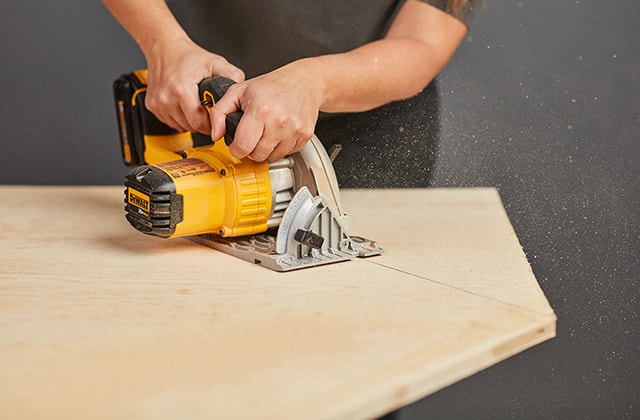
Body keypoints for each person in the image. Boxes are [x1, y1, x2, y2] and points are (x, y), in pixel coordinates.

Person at [103, 0, 480, 186]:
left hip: (369, 129)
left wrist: (314, 81)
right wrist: (163, 43)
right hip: (201, 103)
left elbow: (422, 41)